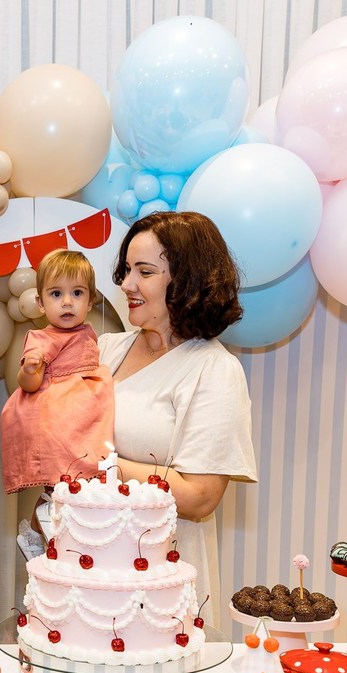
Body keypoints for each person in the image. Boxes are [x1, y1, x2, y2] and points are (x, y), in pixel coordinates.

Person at [99, 211, 257, 605]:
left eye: (144, 272)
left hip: (161, 576)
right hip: (90, 562)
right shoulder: (105, 350)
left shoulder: (214, 370)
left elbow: (199, 496)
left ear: (186, 282)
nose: (126, 284)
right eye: (126, 270)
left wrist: (98, 465)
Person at [0, 249, 114, 501]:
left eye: (77, 293)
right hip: (58, 415)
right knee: (57, 485)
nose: (67, 302)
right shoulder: (40, 338)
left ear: (91, 299)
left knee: (86, 479)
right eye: (56, 294)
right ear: (40, 303)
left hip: (85, 412)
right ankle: (36, 526)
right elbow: (29, 386)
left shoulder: (89, 332)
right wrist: (29, 369)